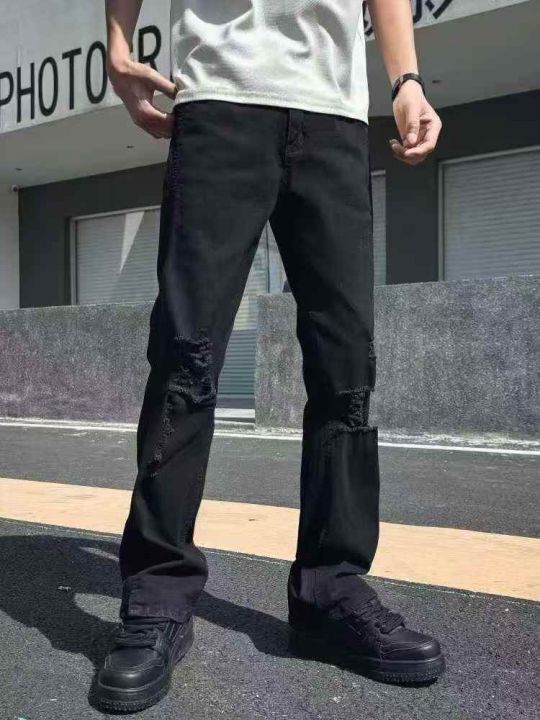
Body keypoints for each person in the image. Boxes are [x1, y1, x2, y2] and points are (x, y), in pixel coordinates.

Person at [95, 0, 444, 712]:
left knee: (347, 366)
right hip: (221, 96)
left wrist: (406, 78)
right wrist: (117, 43)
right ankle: (158, 593)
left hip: (335, 110)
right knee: (186, 357)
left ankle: (329, 589)